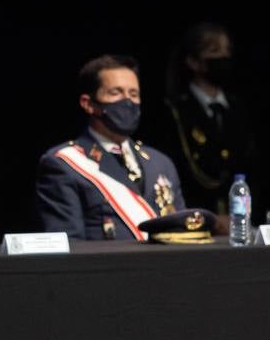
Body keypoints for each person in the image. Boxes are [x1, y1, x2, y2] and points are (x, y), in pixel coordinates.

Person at [36, 54, 187, 240]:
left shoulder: (160, 163)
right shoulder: (64, 164)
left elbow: (183, 235)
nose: (127, 101)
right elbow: (68, 245)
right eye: (116, 93)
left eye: (133, 94)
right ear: (89, 104)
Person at [156, 22, 258, 214]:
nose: (223, 57)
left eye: (227, 50)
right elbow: (182, 170)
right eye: (214, 50)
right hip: (198, 212)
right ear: (194, 61)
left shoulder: (238, 108)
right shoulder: (176, 111)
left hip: (240, 215)